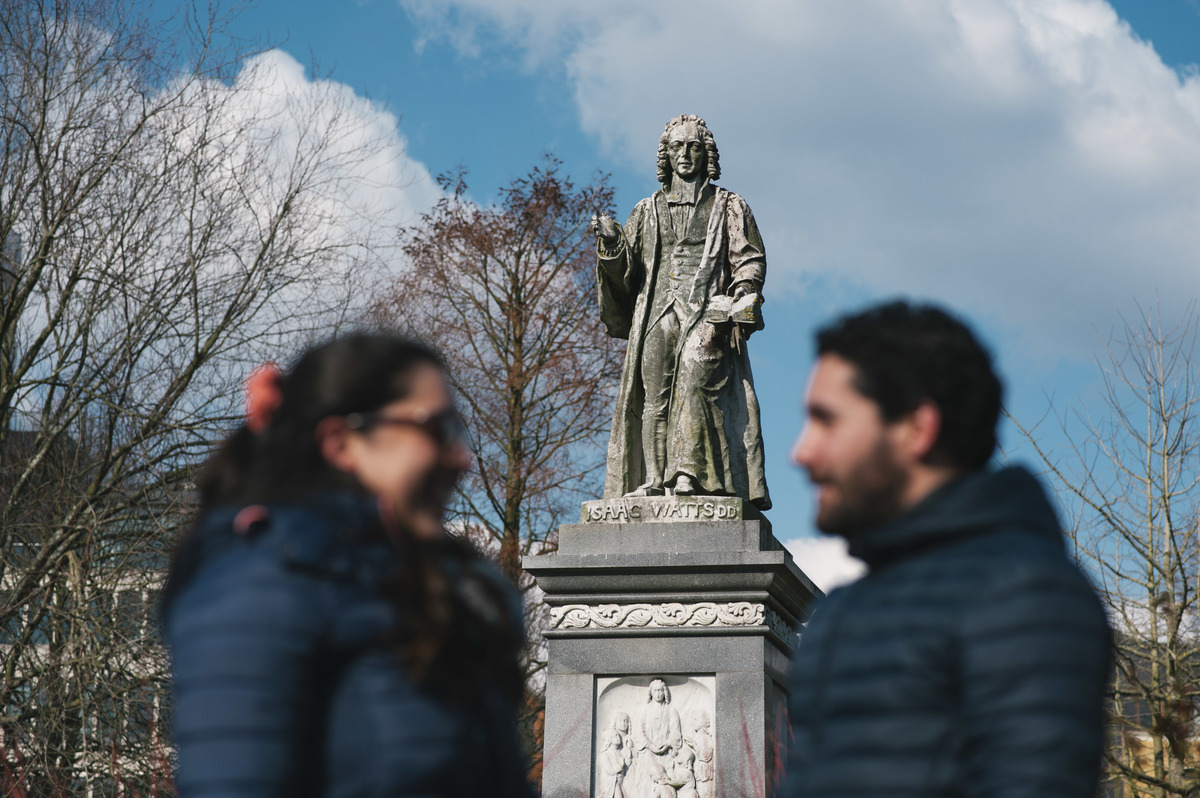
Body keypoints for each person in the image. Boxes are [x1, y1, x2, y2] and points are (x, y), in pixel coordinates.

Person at [161, 334, 534, 798]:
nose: (462, 458)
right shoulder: (255, 585)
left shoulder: (425, 593)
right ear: (341, 443)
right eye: (437, 428)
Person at [781, 301, 1111, 797]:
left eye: (827, 421)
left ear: (918, 428)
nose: (801, 451)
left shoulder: (1023, 594)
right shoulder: (837, 611)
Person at [593, 113, 770, 509]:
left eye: (693, 146)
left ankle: (688, 474)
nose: (685, 154)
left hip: (708, 312)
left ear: (706, 153)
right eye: (677, 147)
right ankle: (653, 481)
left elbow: (749, 260)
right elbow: (628, 274)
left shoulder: (729, 206)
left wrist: (743, 292)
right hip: (657, 310)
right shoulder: (646, 210)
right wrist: (611, 246)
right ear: (666, 154)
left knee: (693, 375)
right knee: (653, 396)